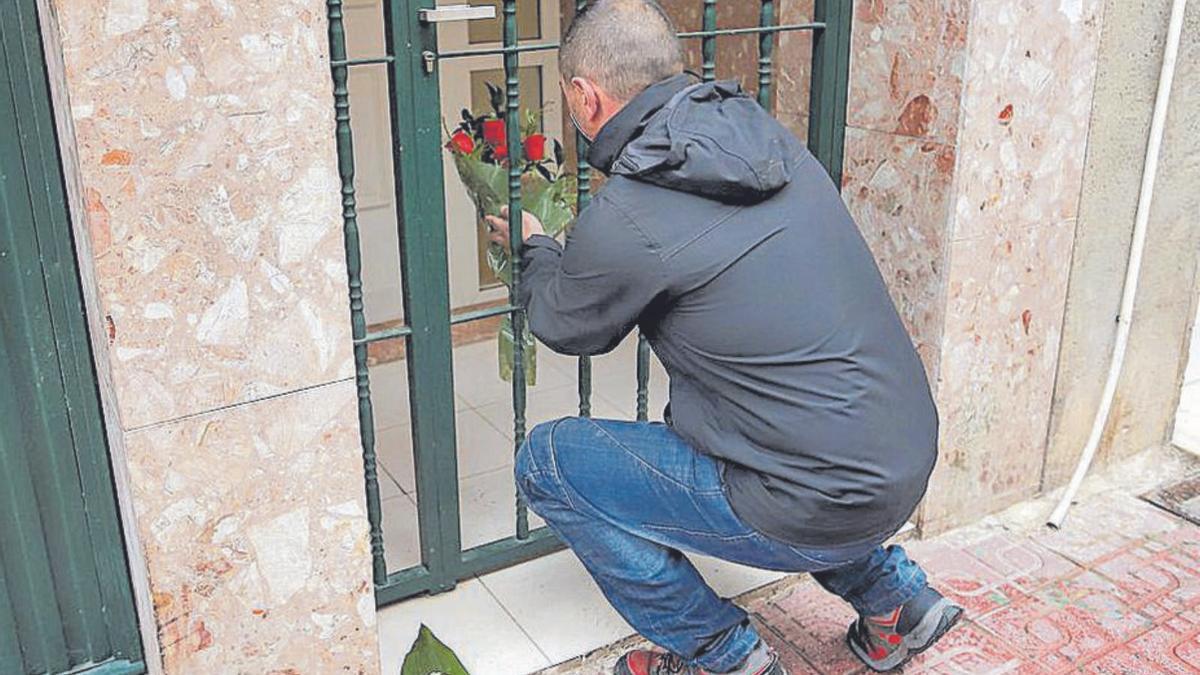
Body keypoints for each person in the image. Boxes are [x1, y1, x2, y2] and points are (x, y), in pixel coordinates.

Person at [485, 1, 962, 673]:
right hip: (903, 455)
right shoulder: (767, 140)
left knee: (548, 462)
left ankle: (722, 653)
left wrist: (537, 251)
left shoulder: (630, 209)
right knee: (805, 433)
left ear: (585, 97)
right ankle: (897, 602)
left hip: (811, 497)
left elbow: (567, 322)